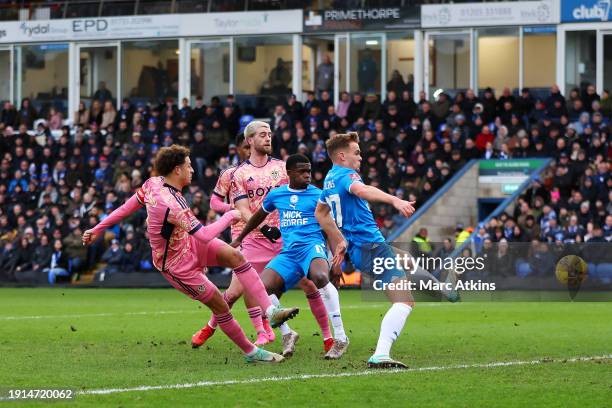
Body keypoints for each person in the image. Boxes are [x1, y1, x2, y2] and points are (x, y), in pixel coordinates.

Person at [82, 144, 298, 363]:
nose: (193, 170)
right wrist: (230, 216)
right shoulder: (172, 205)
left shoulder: (153, 183)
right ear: (177, 170)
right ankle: (252, 352)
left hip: (189, 243)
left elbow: (125, 208)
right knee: (220, 305)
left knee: (236, 257)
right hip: (177, 265)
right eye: (189, 165)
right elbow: (204, 234)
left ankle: (271, 312)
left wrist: (98, 228)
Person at [192, 121, 330, 357]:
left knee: (308, 283)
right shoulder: (238, 174)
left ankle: (328, 337)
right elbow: (242, 207)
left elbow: (299, 194)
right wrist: (264, 226)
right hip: (253, 239)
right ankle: (215, 327)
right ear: (250, 140)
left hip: (286, 238)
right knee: (242, 291)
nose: (268, 139)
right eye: (263, 135)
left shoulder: (282, 167)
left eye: (269, 135)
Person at [314, 132, 432, 368]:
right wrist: (395, 200)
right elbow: (362, 190)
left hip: (362, 249)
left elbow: (320, 214)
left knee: (406, 258)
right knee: (404, 302)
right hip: (372, 246)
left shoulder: (328, 180)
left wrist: (339, 241)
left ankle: (442, 289)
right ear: (341, 155)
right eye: (356, 153)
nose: (361, 157)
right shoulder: (347, 175)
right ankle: (380, 353)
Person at [231, 154, 350, 359]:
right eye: (302, 171)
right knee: (261, 288)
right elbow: (256, 218)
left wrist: (337, 261)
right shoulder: (277, 195)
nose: (307, 175)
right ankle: (287, 333)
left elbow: (329, 227)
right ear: (290, 173)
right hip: (289, 253)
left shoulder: (318, 195)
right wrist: (239, 239)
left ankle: (340, 337)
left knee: (320, 278)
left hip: (312, 248)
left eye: (309, 171)